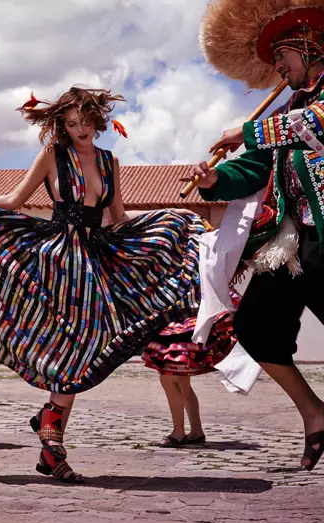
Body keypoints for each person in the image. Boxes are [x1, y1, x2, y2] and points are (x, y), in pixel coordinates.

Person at [0, 87, 230, 483]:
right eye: (70, 124)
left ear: (96, 118)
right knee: (75, 345)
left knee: (83, 346)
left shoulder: (109, 160)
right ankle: (51, 436)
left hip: (96, 256)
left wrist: (168, 215)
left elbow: (118, 215)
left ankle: (49, 432)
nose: (79, 129)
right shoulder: (53, 155)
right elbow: (16, 199)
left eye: (84, 121)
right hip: (58, 258)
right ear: (62, 125)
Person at [187, 0, 324, 471]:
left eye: (282, 56)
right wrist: (214, 181)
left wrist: (245, 130)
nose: (276, 67)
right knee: (258, 327)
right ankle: (316, 415)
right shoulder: (284, 110)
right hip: (294, 243)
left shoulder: (306, 109)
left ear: (309, 47)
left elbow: (315, 124)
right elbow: (253, 166)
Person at [142, 307, 238, 447]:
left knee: (169, 378)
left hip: (180, 323)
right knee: (181, 381)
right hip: (192, 319)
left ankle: (178, 433)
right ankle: (196, 431)